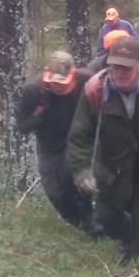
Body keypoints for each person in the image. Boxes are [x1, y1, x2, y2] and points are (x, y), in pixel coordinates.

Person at [66, 36, 139, 263]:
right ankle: (130, 241)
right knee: (106, 218)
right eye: (115, 66)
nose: (119, 72)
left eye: (126, 67)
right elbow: (79, 135)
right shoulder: (94, 91)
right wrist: (82, 172)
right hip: (113, 167)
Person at [15, 51, 101, 236]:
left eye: (62, 83)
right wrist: (38, 115)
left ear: (72, 74)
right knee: (56, 193)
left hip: (80, 141)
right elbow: (21, 125)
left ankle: (92, 221)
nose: (58, 87)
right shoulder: (34, 90)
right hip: (50, 146)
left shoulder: (86, 80)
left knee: (80, 181)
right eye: (54, 83)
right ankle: (79, 223)